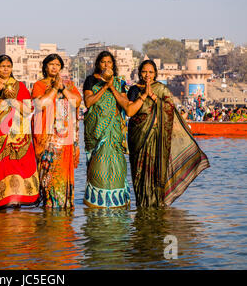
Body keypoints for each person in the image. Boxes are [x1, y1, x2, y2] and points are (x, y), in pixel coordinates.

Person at [122, 60, 210, 207]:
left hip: (156, 138)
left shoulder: (161, 89)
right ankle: (142, 207)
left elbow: (170, 110)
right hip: (137, 137)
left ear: (155, 73)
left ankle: (156, 206)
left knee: (155, 173)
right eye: (144, 71)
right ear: (139, 73)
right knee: (139, 174)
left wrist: (154, 97)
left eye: (150, 72)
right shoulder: (133, 90)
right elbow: (130, 111)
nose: (147, 75)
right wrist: (144, 95)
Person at [0, 55, 40, 210]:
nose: (5, 69)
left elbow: (28, 111)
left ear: (12, 68)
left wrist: (13, 100)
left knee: (19, 168)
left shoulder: (19, 86)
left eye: (8, 66)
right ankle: (2, 204)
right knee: (0, 170)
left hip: (18, 138)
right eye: (2, 66)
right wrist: (2, 99)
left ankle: (18, 203)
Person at [31, 54, 82, 209]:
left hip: (65, 139)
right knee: (48, 178)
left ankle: (64, 215)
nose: (54, 67)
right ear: (45, 66)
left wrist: (63, 89)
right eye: (51, 64)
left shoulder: (68, 84)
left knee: (63, 177)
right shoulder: (39, 85)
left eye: (57, 65)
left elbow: (77, 101)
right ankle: (49, 213)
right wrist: (54, 88)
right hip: (47, 139)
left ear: (61, 67)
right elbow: (40, 105)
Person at [82, 51, 131, 208]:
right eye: (103, 62)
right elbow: (88, 103)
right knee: (97, 168)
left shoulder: (120, 82)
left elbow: (126, 104)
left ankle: (118, 202)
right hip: (97, 132)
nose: (106, 65)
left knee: (118, 167)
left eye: (109, 62)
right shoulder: (91, 80)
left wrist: (112, 87)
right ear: (98, 64)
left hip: (114, 132)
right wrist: (104, 87)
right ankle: (96, 203)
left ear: (113, 65)